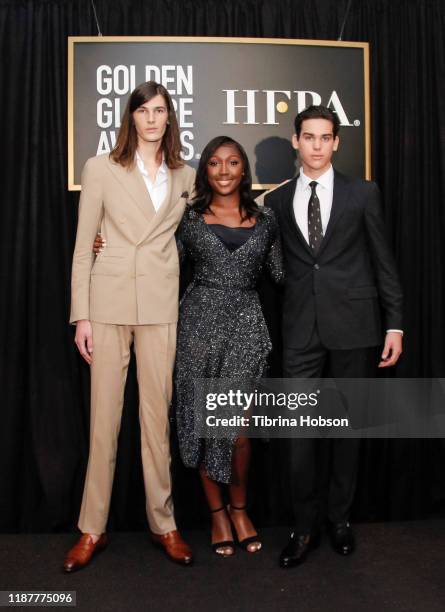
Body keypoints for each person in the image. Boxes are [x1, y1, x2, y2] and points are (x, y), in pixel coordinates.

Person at [64, 81, 196, 572]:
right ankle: (91, 529)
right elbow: (82, 247)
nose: (151, 118)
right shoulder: (100, 168)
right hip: (109, 301)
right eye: (142, 110)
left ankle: (165, 524)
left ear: (169, 117)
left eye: (159, 110)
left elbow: (200, 229)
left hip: (161, 305)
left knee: (155, 422)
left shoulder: (186, 174)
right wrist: (82, 315)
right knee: (104, 422)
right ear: (131, 117)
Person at [265, 105, 403, 568]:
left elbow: (383, 261)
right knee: (299, 435)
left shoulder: (362, 193)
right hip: (301, 329)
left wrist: (395, 323)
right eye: (309, 137)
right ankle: (303, 527)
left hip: (356, 326)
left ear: (337, 142)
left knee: (348, 431)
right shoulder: (277, 201)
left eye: (326, 137)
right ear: (295, 141)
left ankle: (340, 520)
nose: (318, 145)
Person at [174, 136, 284, 556]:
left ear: (243, 171)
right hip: (198, 326)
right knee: (205, 426)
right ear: (205, 171)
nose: (223, 171)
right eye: (215, 163)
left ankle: (240, 509)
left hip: (246, 327)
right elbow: (162, 265)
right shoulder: (189, 219)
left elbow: (281, 273)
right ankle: (217, 514)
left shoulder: (267, 220)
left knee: (237, 430)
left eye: (232, 162)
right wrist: (106, 249)